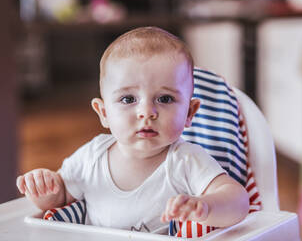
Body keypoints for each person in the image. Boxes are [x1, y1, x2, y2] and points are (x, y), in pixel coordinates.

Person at [16, 26, 249, 234]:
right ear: (104, 113)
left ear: (189, 113)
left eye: (165, 98)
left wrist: (207, 206)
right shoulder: (91, 157)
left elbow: (238, 201)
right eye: (128, 99)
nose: (146, 112)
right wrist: (45, 190)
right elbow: (61, 199)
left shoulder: (186, 161)